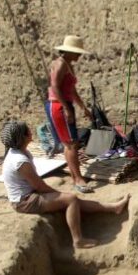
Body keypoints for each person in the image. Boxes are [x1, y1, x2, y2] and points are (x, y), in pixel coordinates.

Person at [0, 120, 129, 249]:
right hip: (25, 201)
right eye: (28, 130)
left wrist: (57, 195)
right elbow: (38, 186)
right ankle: (78, 240)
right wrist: (57, 194)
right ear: (24, 137)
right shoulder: (20, 161)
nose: (30, 131)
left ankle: (113, 208)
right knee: (71, 200)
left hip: (29, 195)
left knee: (73, 200)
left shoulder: (20, 153)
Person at [47, 35, 96, 193]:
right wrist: (66, 108)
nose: (79, 56)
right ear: (68, 52)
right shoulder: (60, 64)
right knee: (70, 143)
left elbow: (71, 90)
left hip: (64, 104)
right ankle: (78, 179)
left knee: (70, 143)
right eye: (77, 52)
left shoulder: (68, 64)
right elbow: (55, 86)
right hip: (58, 106)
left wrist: (83, 108)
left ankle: (77, 177)